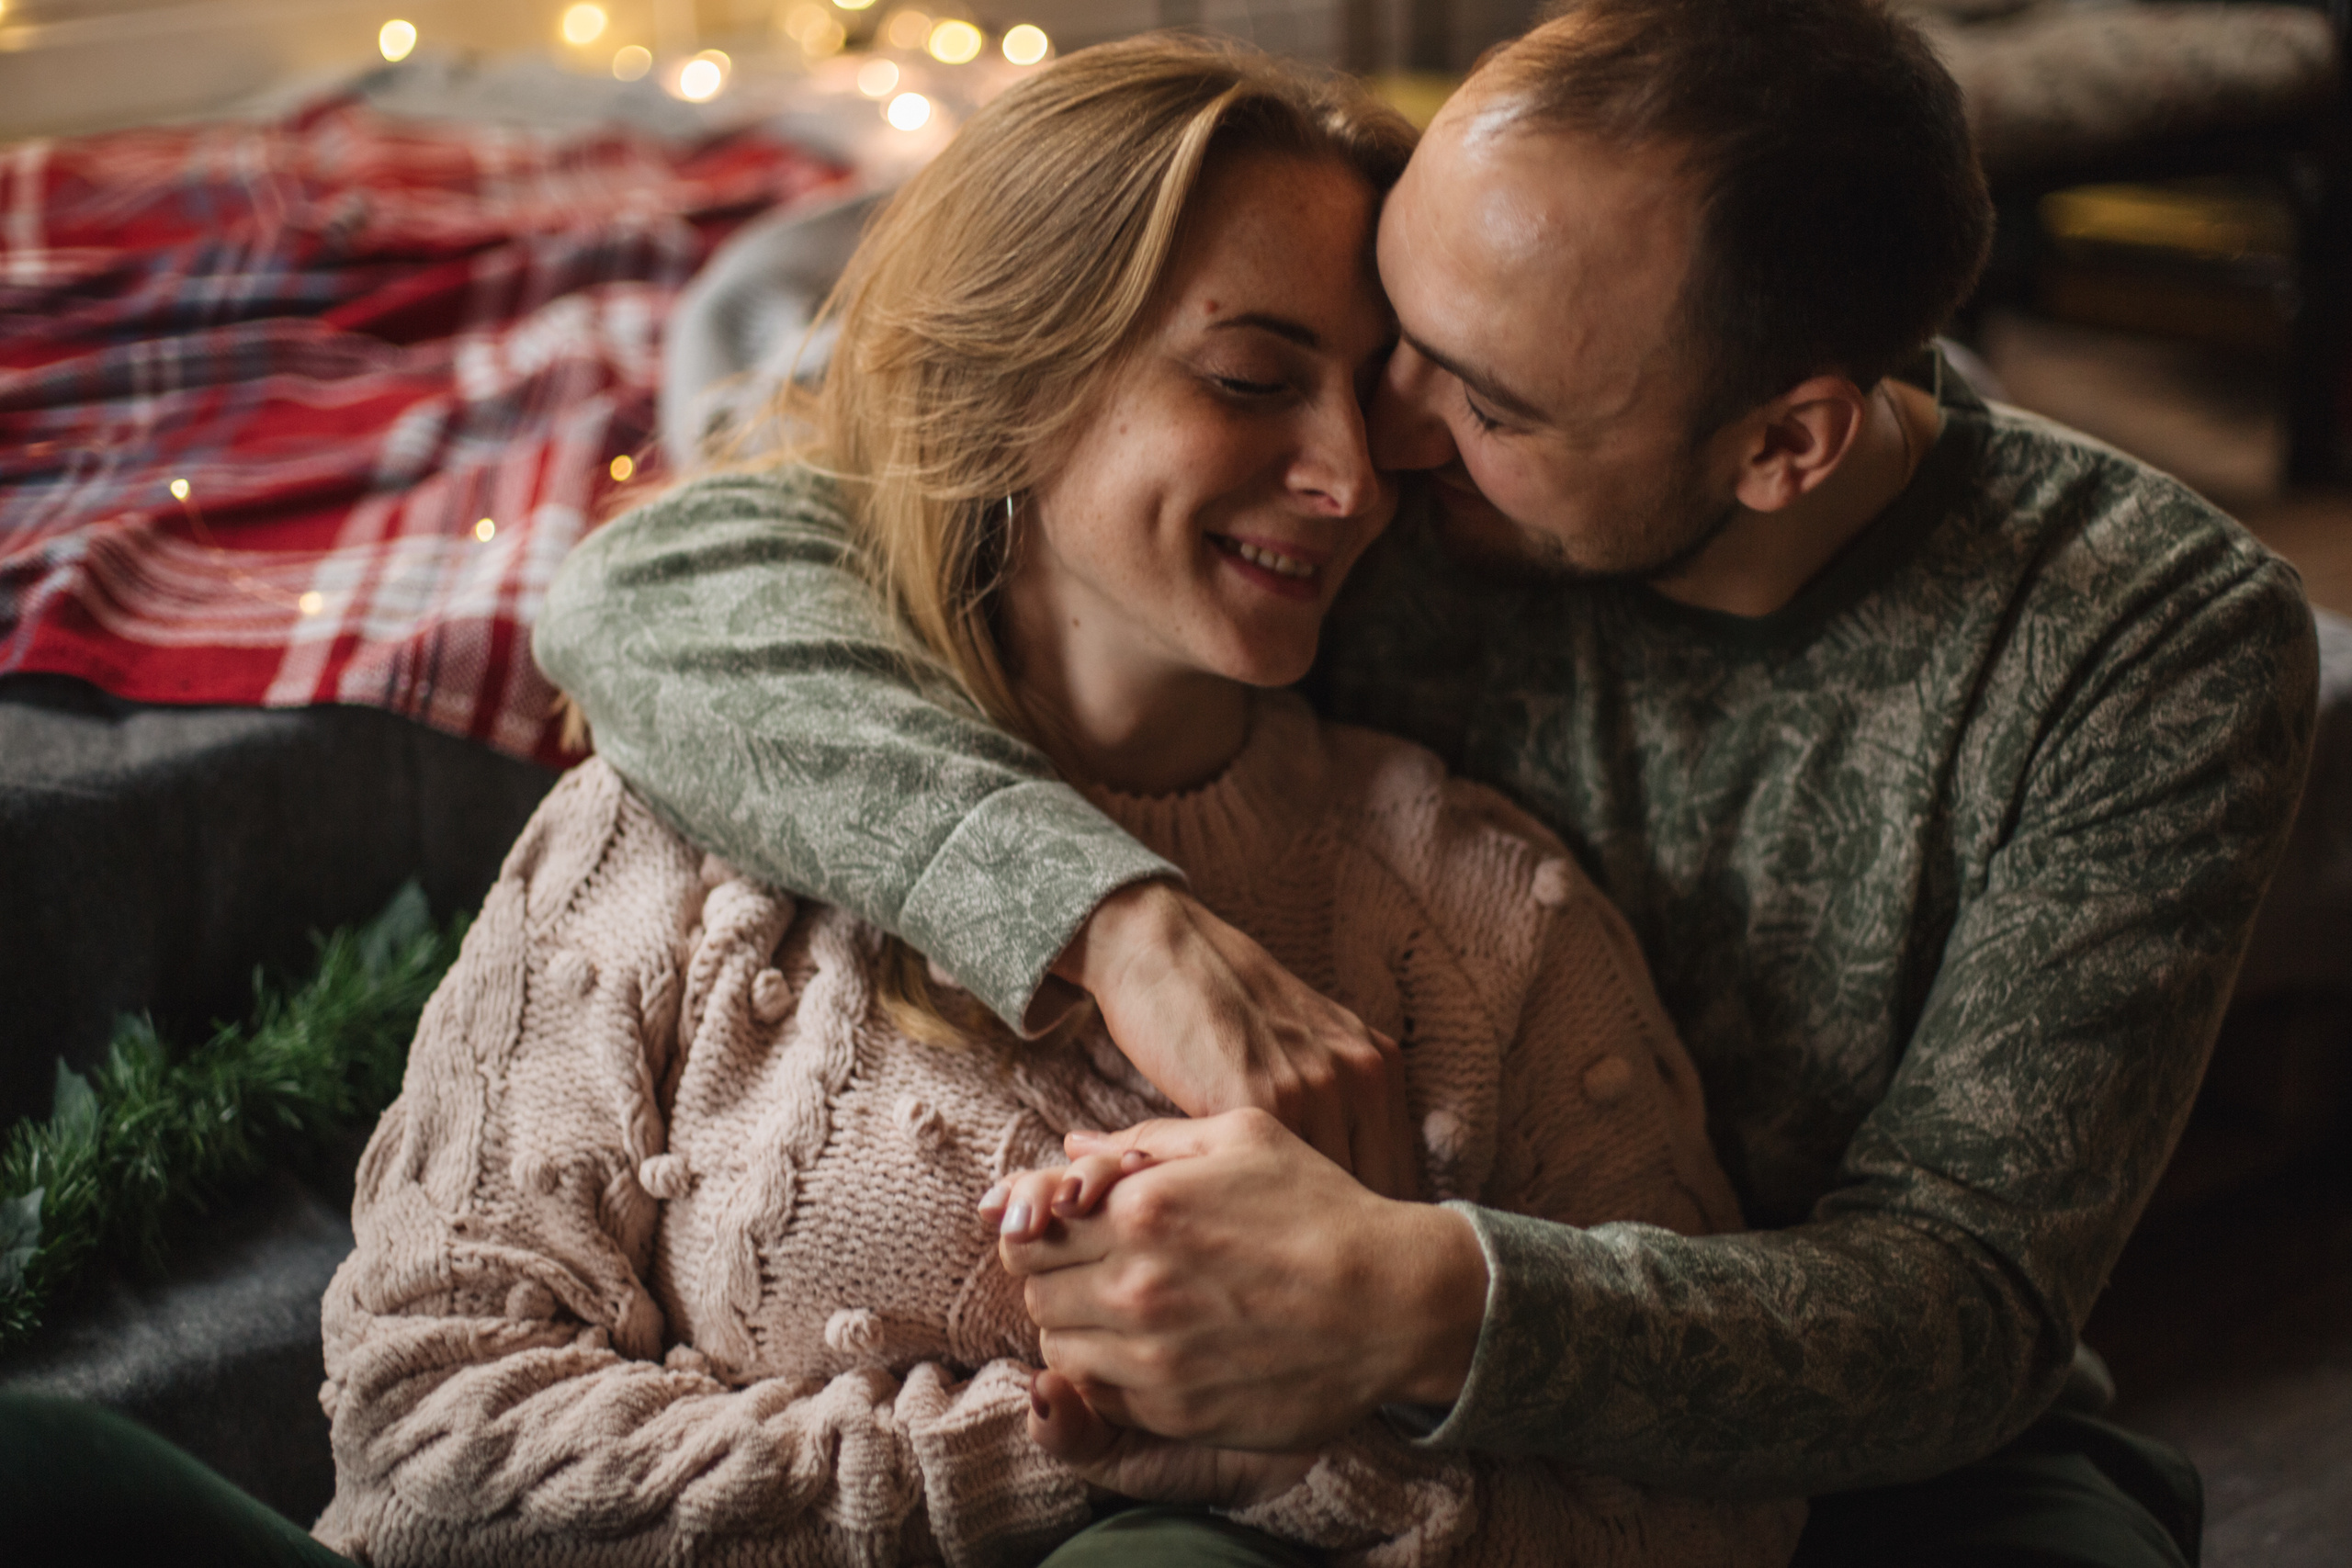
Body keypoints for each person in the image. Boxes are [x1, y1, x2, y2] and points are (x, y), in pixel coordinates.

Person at [537, 2, 2323, 1565]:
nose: (1374, 439)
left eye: (1485, 401)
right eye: (1392, 321)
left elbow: (1958, 1311)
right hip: (1314, 1418)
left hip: (1865, 1431)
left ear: (1785, 443)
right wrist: (1109, 919)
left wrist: (1405, 1294)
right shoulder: (1360, 475)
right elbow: (657, 581)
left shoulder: (2143, 643)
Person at [314, 35, 1803, 1568]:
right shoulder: (690, 806)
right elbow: (422, 1456)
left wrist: (1333, 1433)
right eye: (1249, 380)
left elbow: (1716, 1516)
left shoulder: (1490, 916)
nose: (1351, 480)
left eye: (1376, 401)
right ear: (1013, 377)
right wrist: (1088, 1453)